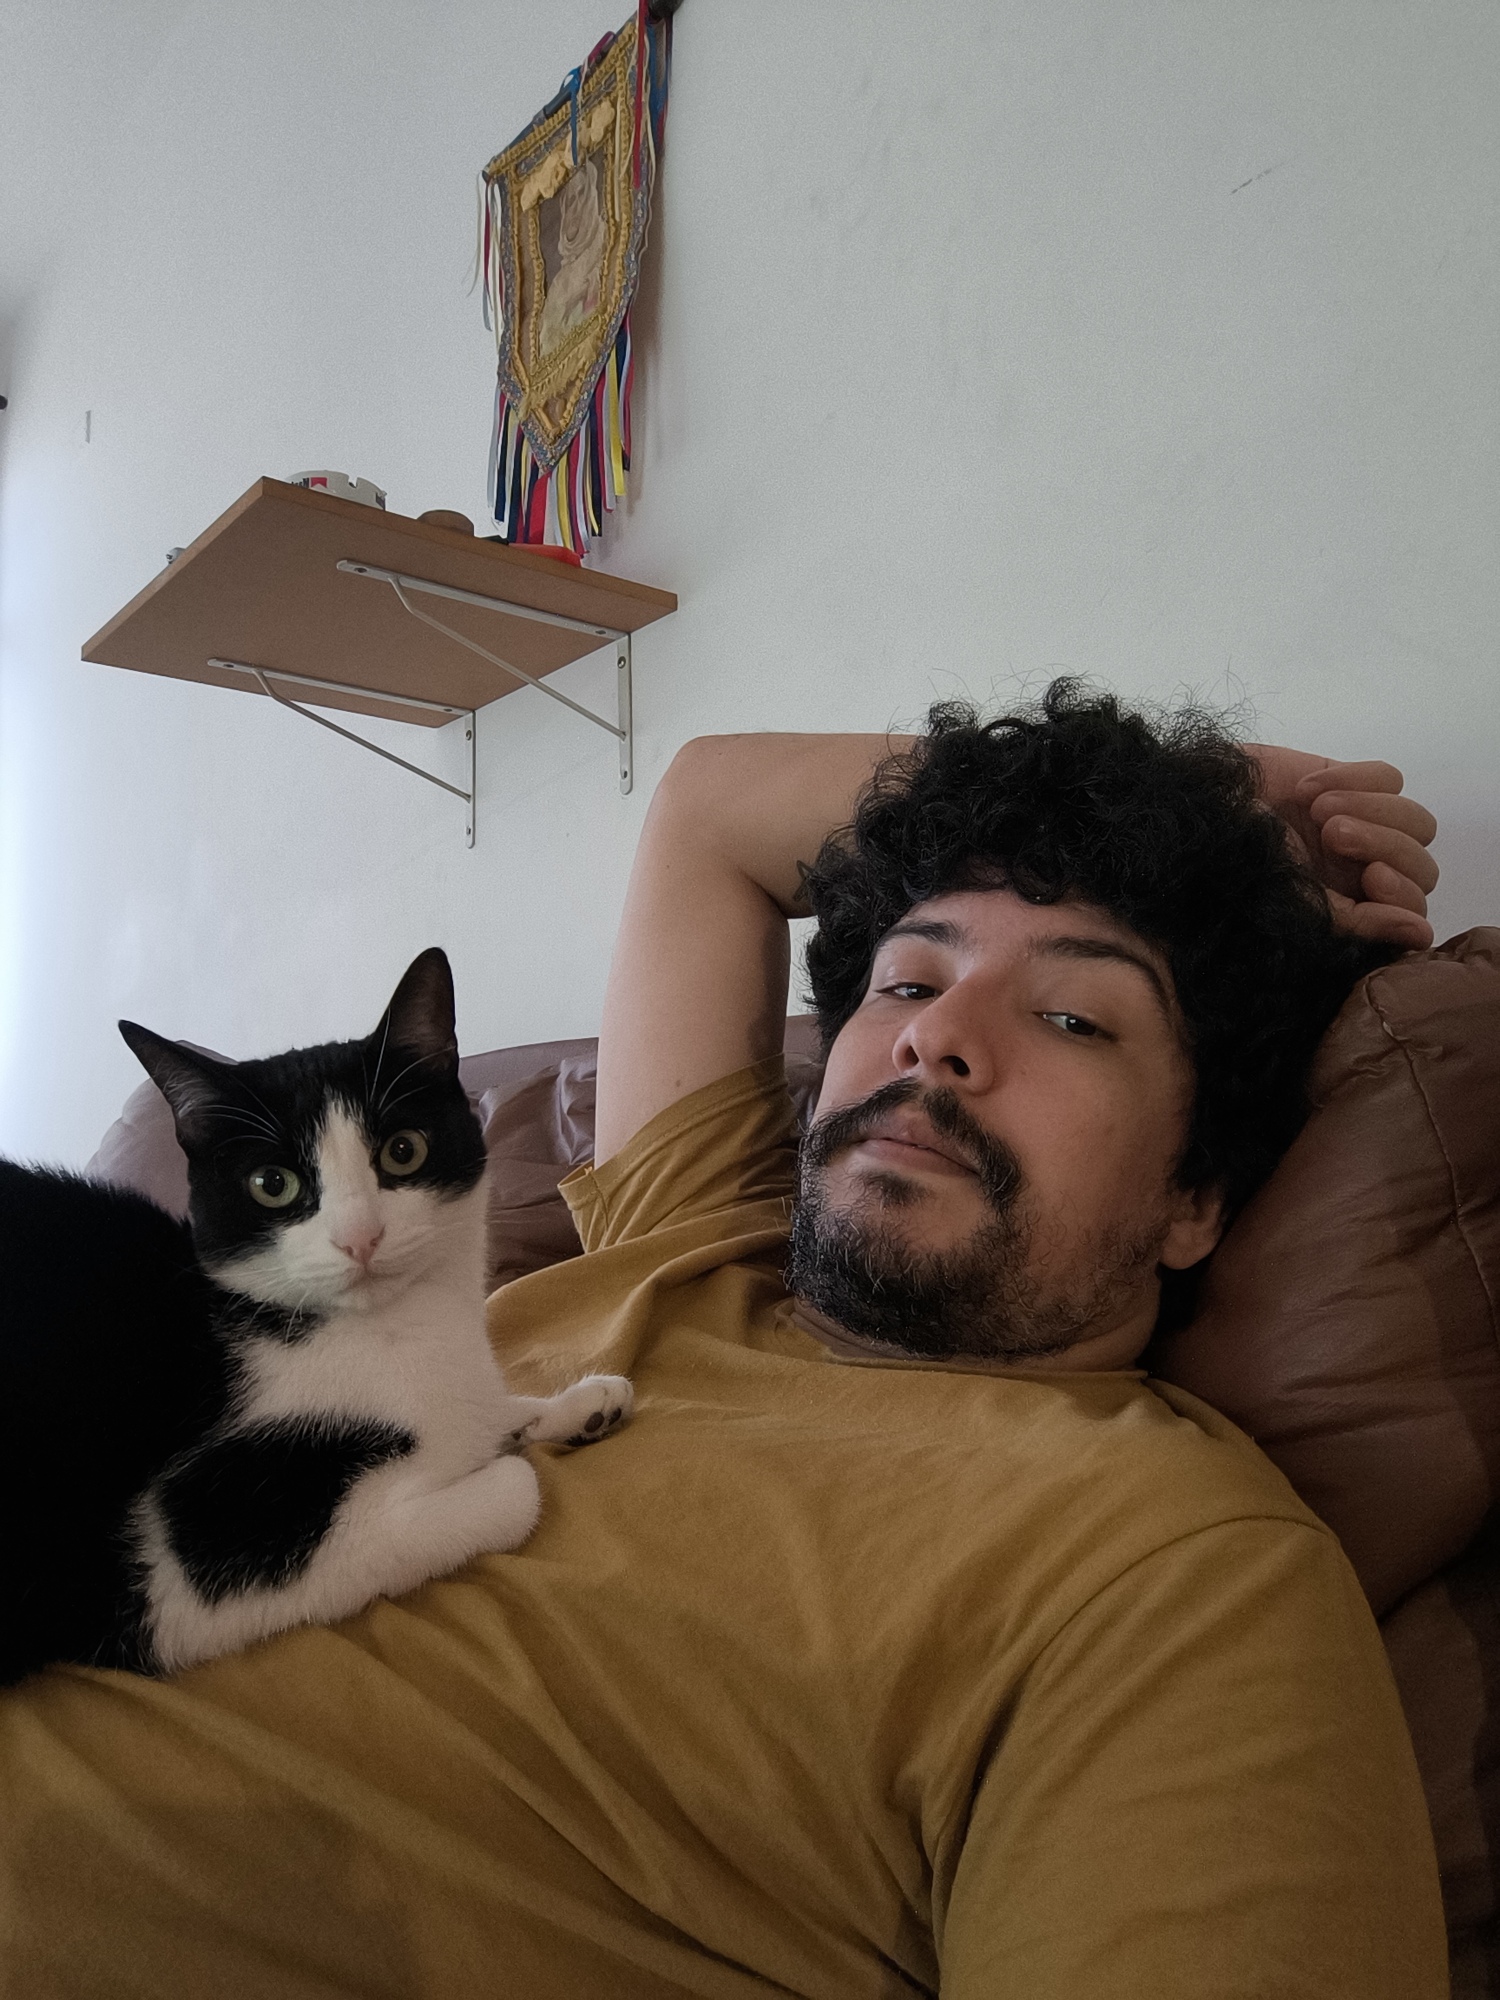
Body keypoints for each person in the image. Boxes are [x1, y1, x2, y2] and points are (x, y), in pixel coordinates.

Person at [0, 683, 1447, 1997]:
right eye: (906, 980)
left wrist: (1216, 855)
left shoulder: (1177, 1568)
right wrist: (1229, 792)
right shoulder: (692, 1237)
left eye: (1073, 1016)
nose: (934, 1038)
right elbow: (706, 811)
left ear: (1197, 1199)